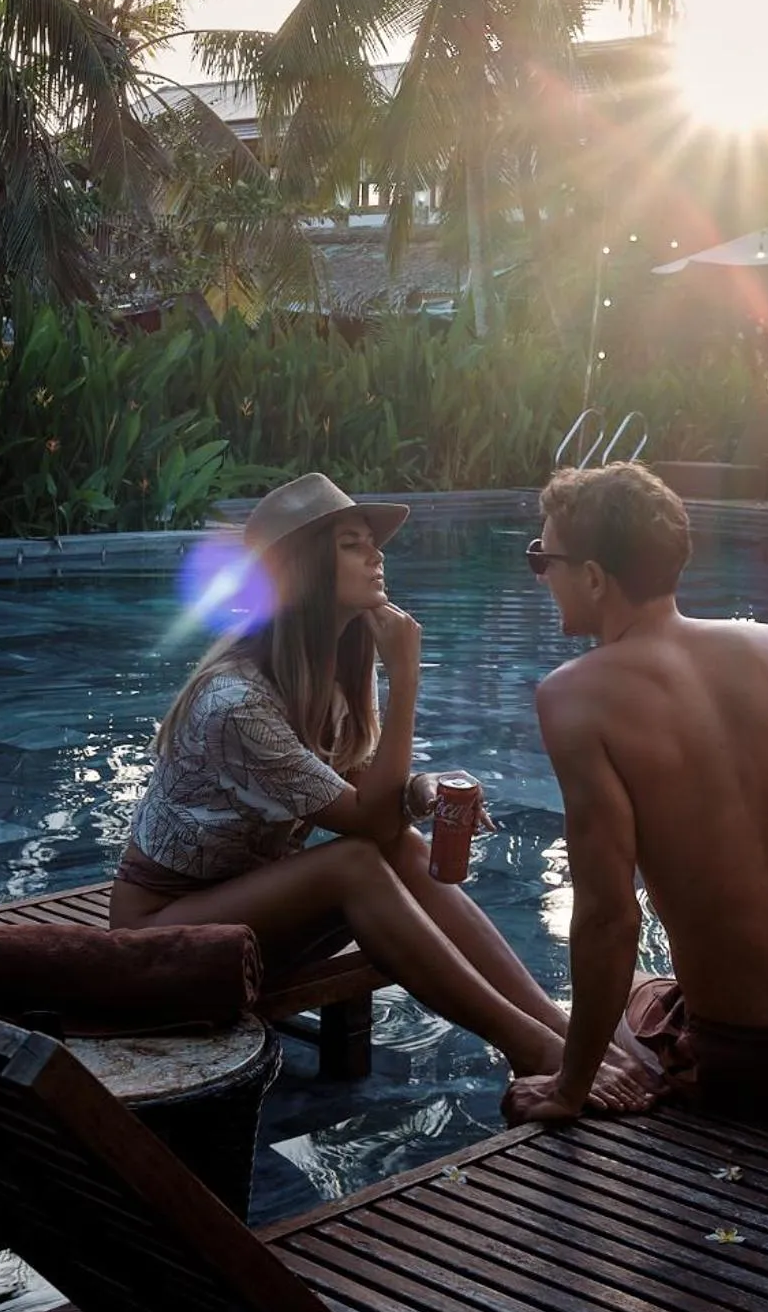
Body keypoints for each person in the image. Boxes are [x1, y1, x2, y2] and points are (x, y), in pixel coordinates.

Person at [111, 472, 640, 1105]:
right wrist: (407, 674)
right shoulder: (236, 702)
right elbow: (365, 824)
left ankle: (567, 1038)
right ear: (306, 567)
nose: (377, 555)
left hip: (245, 918)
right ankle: (535, 1050)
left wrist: (421, 790)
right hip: (158, 943)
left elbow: (374, 801)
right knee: (357, 864)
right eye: (353, 544)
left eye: (372, 543)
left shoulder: (324, 674)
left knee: (403, 851)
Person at [503, 461, 768, 1125]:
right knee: (645, 989)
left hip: (760, 1064)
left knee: (576, 1011)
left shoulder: (574, 697)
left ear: (591, 577)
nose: (541, 575)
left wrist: (567, 1090)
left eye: (542, 558)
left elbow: (608, 921)